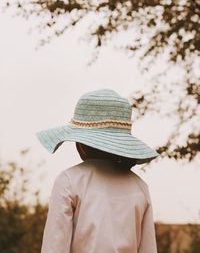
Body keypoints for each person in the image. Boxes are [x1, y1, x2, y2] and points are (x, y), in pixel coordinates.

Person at [36, 89, 159, 253]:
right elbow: (148, 249)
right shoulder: (140, 187)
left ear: (82, 144)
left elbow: (55, 246)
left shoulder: (69, 180)